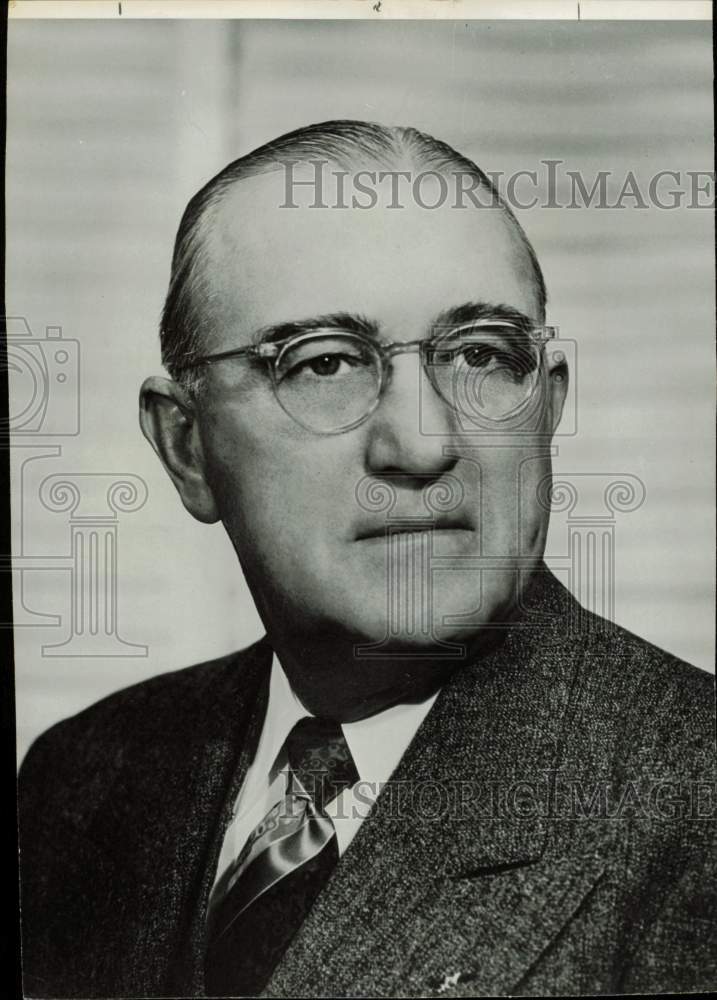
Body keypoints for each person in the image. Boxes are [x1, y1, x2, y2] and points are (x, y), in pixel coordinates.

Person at [18, 121, 716, 998]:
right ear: (186, 447)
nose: (420, 448)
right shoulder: (82, 774)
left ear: (545, 404)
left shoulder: (696, 800)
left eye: (478, 356)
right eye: (325, 364)